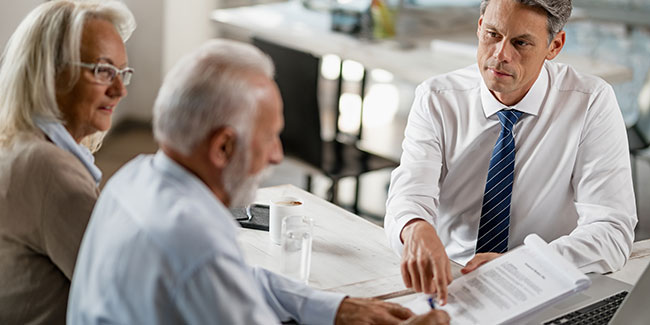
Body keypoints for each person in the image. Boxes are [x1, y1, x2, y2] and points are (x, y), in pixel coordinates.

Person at [67, 39, 449, 325]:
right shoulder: (195, 245)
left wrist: (336, 309)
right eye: (269, 137)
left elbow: (241, 278)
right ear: (223, 147)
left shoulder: (132, 178)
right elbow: (216, 272)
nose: (277, 156)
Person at [385, 0, 637, 306]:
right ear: (479, 28)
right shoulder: (438, 98)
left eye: (521, 43)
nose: (500, 55)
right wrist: (414, 228)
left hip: (545, 283)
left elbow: (612, 231)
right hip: (452, 281)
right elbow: (410, 192)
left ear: (554, 46)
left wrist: (523, 264)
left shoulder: (589, 102)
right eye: (492, 34)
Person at [0, 1, 135, 323]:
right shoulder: (49, 171)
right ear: (51, 73)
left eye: (122, 73)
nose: (119, 90)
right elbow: (127, 298)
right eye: (103, 71)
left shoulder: (18, 143)